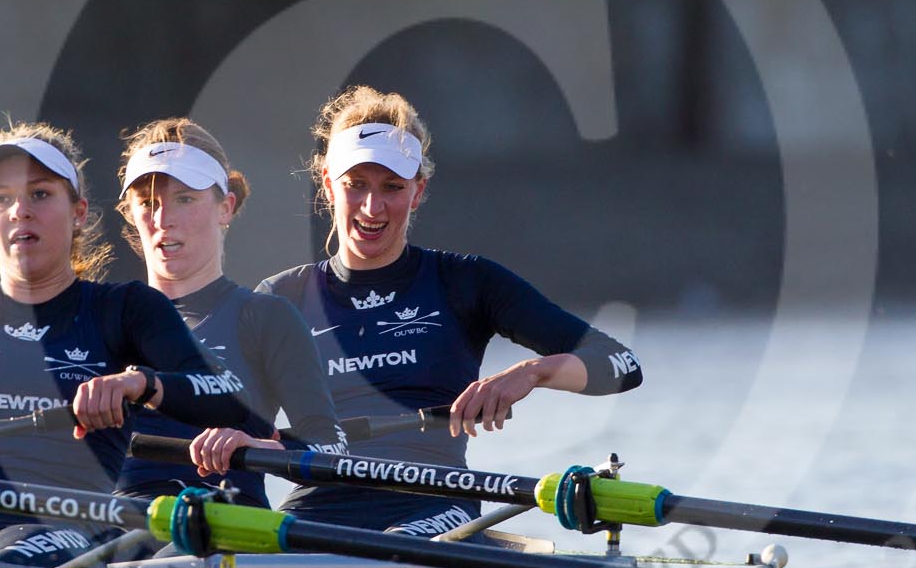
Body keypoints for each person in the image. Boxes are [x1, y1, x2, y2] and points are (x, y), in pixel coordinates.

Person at [256, 86, 645, 536]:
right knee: (235, 555)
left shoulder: (466, 282)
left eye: (392, 187)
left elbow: (622, 364)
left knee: (394, 546)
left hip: (433, 505)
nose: (372, 206)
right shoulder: (281, 297)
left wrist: (531, 372)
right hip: (315, 508)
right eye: (355, 185)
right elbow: (229, 419)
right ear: (327, 184)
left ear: (418, 191)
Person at [0, 123, 268, 565]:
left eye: (41, 194)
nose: (19, 211)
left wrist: (141, 385)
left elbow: (229, 402)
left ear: (80, 212)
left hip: (66, 516)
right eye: (1, 198)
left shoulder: (123, 309)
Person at [108, 119, 344, 506]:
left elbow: (332, 447)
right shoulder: (103, 317)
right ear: (130, 213)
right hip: (116, 527)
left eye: (185, 199)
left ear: (225, 207)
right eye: (148, 203)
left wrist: (261, 446)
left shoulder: (264, 316)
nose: (164, 218)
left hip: (218, 522)